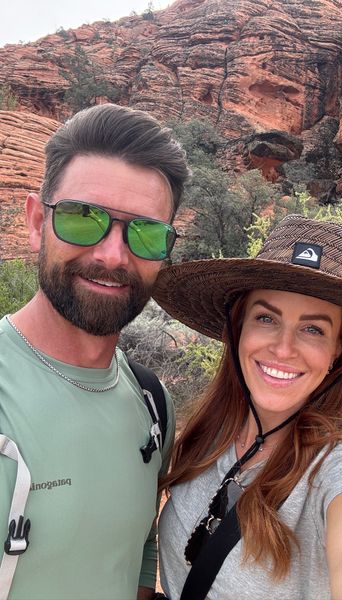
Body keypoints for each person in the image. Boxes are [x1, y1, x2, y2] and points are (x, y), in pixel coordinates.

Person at [152, 214, 342, 599]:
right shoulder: (207, 435)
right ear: (237, 328)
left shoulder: (340, 466)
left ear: (338, 350)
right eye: (265, 318)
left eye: (313, 329)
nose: (283, 348)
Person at [0, 103, 190, 600]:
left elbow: (139, 551)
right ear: (37, 220)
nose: (112, 254)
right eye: (84, 218)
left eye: (145, 232)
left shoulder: (151, 402)